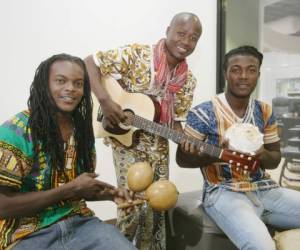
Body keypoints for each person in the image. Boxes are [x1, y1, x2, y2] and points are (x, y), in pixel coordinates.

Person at [84, 12, 202, 249]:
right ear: (168, 30)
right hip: (126, 141)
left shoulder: (187, 80)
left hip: (158, 142)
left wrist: (186, 140)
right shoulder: (137, 54)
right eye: (181, 33)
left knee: (159, 204)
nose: (186, 42)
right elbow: (89, 62)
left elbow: (176, 123)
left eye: (193, 38)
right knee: (132, 204)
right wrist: (106, 102)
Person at [0, 54, 138, 250]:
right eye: (60, 81)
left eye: (78, 83)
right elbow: (2, 206)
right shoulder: (16, 131)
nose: (70, 89)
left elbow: (77, 188)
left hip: (79, 223)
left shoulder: (81, 131)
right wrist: (71, 189)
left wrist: (110, 194)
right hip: (26, 235)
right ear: (44, 84)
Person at [176, 45, 300, 250]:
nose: (244, 76)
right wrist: (217, 155)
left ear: (258, 74)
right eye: (236, 69)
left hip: (266, 190)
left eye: (251, 70)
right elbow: (182, 160)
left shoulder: (265, 110)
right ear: (226, 73)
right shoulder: (203, 112)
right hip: (223, 191)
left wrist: (260, 153)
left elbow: (275, 158)